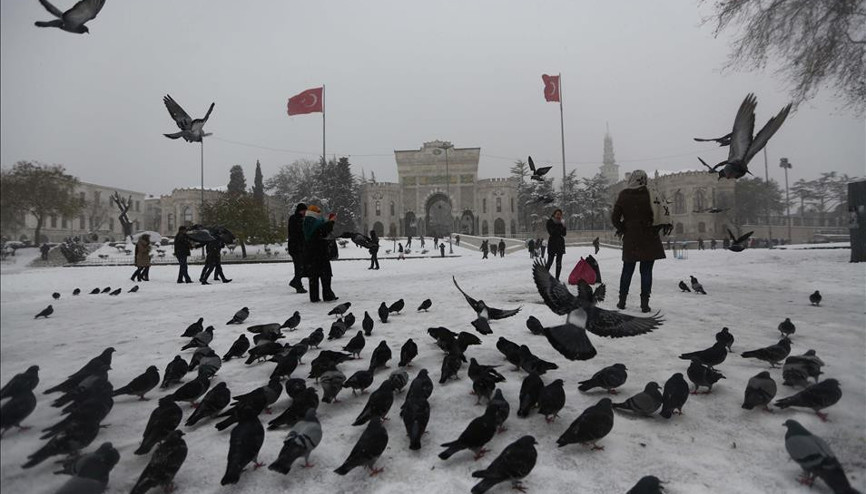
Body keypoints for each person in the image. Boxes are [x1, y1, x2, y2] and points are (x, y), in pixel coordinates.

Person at [611, 169, 668, 313]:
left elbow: (615, 218)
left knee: (627, 270)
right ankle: (644, 304)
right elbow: (661, 213)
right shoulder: (651, 193)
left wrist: (624, 228)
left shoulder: (624, 195)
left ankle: (622, 301)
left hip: (631, 237)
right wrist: (655, 228)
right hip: (649, 236)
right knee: (646, 271)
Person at [303, 205, 337, 302]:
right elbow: (323, 230)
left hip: (310, 253)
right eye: (318, 212)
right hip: (320, 252)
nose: (320, 214)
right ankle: (327, 295)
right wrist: (331, 221)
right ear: (315, 213)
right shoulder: (314, 222)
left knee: (313, 276)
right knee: (325, 274)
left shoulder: (307, 222)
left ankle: (314, 297)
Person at [287, 203, 308, 293]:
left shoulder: (302, 219)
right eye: (303, 211)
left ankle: (296, 282)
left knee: (301, 266)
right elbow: (296, 233)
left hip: (300, 247)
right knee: (299, 266)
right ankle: (297, 284)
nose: (304, 212)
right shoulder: (294, 219)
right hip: (295, 247)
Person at [545, 210, 567, 279]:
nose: (559, 216)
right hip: (552, 243)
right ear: (554, 214)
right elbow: (552, 232)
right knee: (550, 262)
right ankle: (544, 277)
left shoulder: (562, 223)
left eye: (560, 214)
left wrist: (564, 226)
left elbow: (564, 234)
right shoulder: (550, 222)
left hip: (560, 244)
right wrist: (559, 226)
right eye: (557, 214)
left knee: (559, 263)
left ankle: (557, 278)